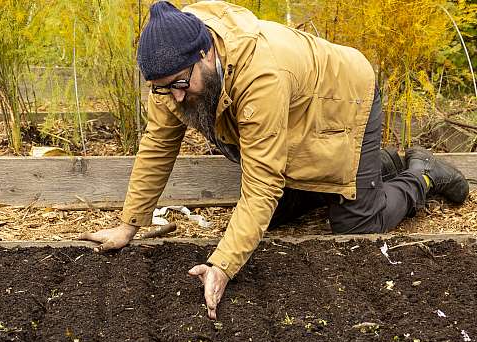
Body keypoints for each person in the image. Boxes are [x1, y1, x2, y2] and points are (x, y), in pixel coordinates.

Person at [80, 1, 469, 319]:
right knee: (274, 216)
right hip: (298, 112)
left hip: (346, 97)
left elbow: (263, 180)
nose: (176, 97)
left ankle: (421, 175)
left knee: (356, 226)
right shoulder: (172, 77)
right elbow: (157, 146)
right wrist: (128, 226)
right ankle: (374, 165)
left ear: (207, 53)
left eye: (182, 83)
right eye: (163, 89)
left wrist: (223, 266)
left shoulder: (259, 73)